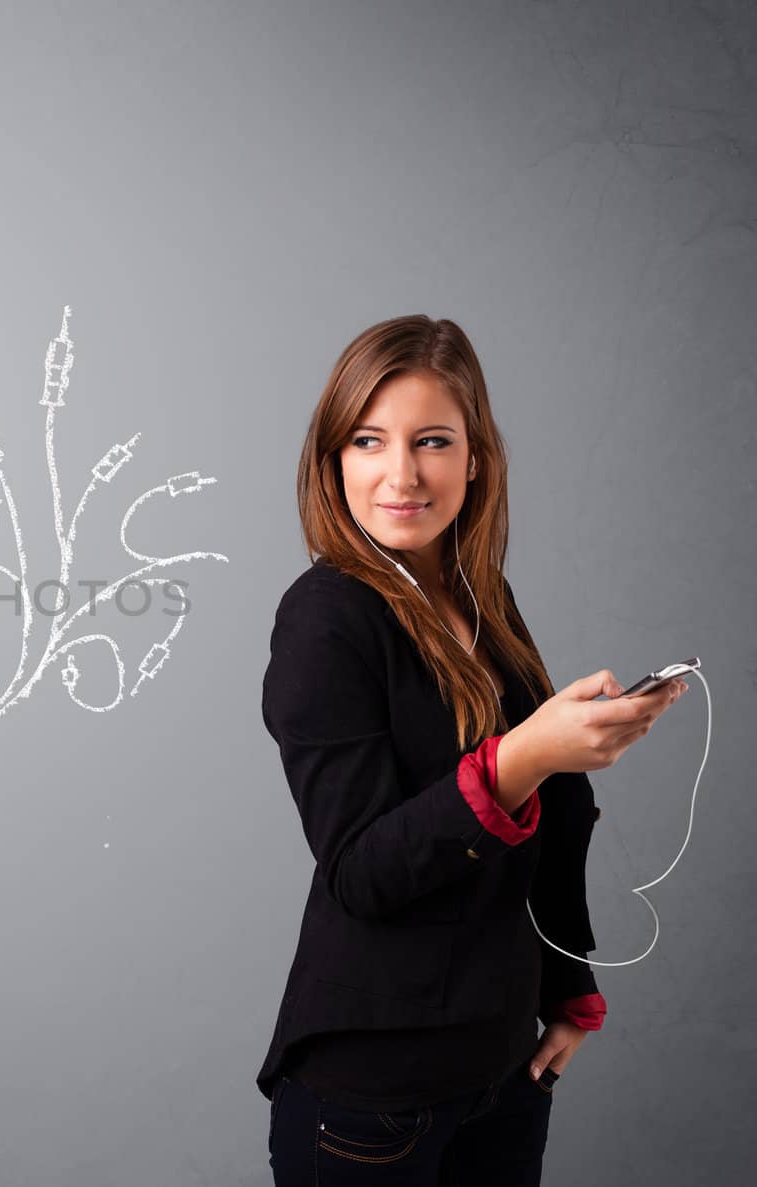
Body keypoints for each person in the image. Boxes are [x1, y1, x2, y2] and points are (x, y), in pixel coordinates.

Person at [258, 315, 687, 1185]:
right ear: (334, 458)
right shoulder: (325, 615)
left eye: (433, 441)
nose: (401, 473)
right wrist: (522, 756)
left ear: (476, 458)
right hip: (371, 1101)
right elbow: (362, 871)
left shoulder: (481, 597)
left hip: (503, 1074)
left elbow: (553, 814)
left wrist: (569, 988)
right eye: (369, 440)